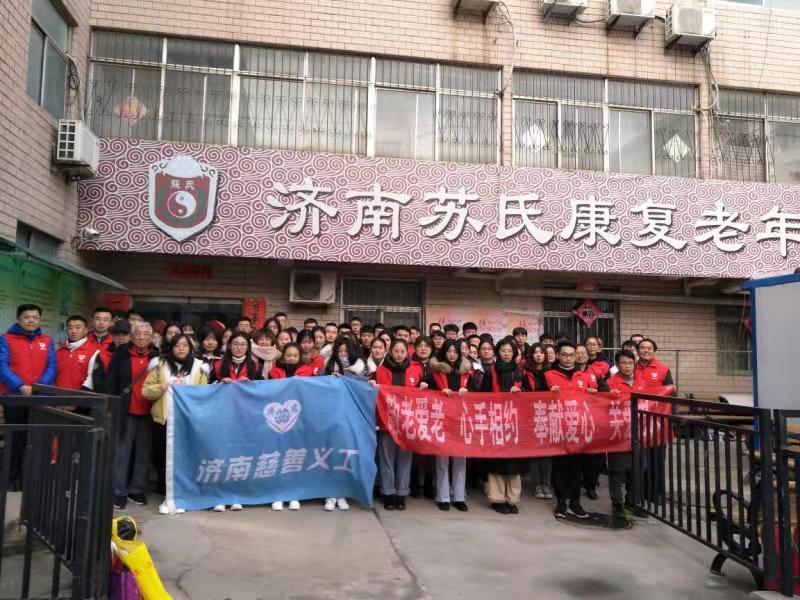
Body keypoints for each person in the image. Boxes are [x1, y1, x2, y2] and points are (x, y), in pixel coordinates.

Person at [142, 333, 209, 514]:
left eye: (185, 345)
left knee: (188, 457)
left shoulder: (199, 367)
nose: (181, 348)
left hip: (189, 421)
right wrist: (162, 387)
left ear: (191, 348)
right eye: (177, 345)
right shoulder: (159, 366)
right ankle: (169, 495)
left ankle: (187, 493)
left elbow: (204, 394)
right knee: (165, 458)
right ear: (170, 348)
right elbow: (146, 391)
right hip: (164, 420)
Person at [0, 304, 56, 490]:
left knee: (34, 440)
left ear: (39, 319)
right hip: (14, 397)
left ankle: (28, 481)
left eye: (35, 317)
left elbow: (51, 367)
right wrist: (20, 386)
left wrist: (37, 388)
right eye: (27, 317)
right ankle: (9, 481)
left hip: (39, 399)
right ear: (18, 319)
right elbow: (2, 366)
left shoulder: (47, 341)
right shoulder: (6, 339)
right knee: (14, 439)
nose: (31, 320)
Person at [545, 340, 604, 520]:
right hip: (558, 428)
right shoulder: (548, 375)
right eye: (564, 354)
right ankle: (561, 502)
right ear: (558, 355)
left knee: (577, 468)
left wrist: (595, 394)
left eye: (572, 355)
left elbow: (600, 397)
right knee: (560, 467)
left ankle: (576, 502)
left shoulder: (584, 377)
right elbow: (535, 399)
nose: (568, 358)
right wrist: (548, 393)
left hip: (579, 429)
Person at [471, 338, 529, 514]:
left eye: (510, 351)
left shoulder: (521, 373)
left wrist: (520, 393)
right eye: (503, 350)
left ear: (514, 353)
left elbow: (530, 395)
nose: (506, 354)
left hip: (515, 422)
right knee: (497, 462)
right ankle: (497, 499)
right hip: (496, 422)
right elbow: (483, 396)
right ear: (498, 352)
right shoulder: (491, 372)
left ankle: (512, 499)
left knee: (514, 463)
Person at [107, 321, 158, 509]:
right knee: (122, 453)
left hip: (149, 411)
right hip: (125, 410)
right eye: (138, 333)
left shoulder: (157, 357)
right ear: (132, 336)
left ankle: (136, 489)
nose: (142, 337)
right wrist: (110, 407)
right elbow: (111, 382)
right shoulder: (121, 354)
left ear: (151, 338)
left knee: (143, 453)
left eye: (146, 334)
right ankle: (118, 491)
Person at [372, 339, 426, 510]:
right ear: (390, 351)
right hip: (386, 422)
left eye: (402, 351)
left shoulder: (415, 370)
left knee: (405, 459)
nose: (399, 354)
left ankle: (401, 493)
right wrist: (372, 384)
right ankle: (388, 493)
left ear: (407, 352)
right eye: (396, 351)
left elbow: (422, 394)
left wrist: (423, 386)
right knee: (386, 460)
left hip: (407, 423)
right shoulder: (380, 370)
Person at [427, 340, 471, 512]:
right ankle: (443, 497)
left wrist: (468, 392)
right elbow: (427, 393)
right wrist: (439, 393)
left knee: (460, 460)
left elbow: (478, 392)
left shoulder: (467, 372)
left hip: (462, 420)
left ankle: (459, 497)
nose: (452, 354)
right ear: (443, 352)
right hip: (441, 420)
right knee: (442, 461)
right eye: (449, 351)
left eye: (455, 351)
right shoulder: (434, 371)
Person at [606, 349, 645, 519]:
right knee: (617, 470)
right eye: (623, 363)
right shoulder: (609, 384)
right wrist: (609, 396)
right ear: (617, 365)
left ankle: (632, 502)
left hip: (639, 432)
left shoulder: (642, 382)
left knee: (637, 469)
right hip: (617, 432)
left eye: (630, 363)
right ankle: (617, 503)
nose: (627, 366)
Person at [522, 344, 552, 500]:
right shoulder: (525, 373)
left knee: (547, 453)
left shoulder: (551, 373)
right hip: (532, 416)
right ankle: (537, 485)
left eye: (541, 352)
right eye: (536, 352)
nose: (539, 355)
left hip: (549, 416)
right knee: (535, 453)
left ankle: (546, 484)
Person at [575, 344, 605, 501]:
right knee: (576, 457)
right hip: (574, 420)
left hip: (592, 421)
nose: (580, 355)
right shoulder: (570, 373)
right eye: (577, 353)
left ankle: (591, 486)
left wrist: (597, 393)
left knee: (593, 458)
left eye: (583, 353)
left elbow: (605, 392)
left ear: (588, 355)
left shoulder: (595, 373)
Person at [56, 315, 93, 391]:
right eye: (70, 328)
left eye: (78, 327)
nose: (74, 331)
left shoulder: (94, 352)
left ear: (86, 330)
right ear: (66, 330)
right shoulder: (59, 351)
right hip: (57, 395)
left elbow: (91, 380)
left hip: (79, 396)